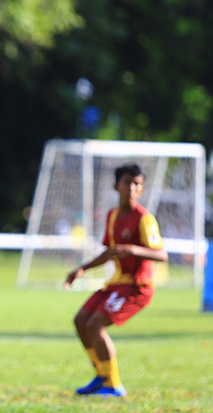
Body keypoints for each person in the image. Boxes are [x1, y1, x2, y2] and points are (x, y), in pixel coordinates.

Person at [64, 163, 167, 398]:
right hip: (116, 283)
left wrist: (132, 249)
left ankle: (114, 384)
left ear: (141, 189)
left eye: (137, 184)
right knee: (81, 321)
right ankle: (101, 375)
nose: (131, 187)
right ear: (116, 186)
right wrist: (82, 269)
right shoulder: (112, 216)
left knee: (95, 325)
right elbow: (110, 252)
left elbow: (162, 255)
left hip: (137, 288)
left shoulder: (144, 219)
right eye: (127, 182)